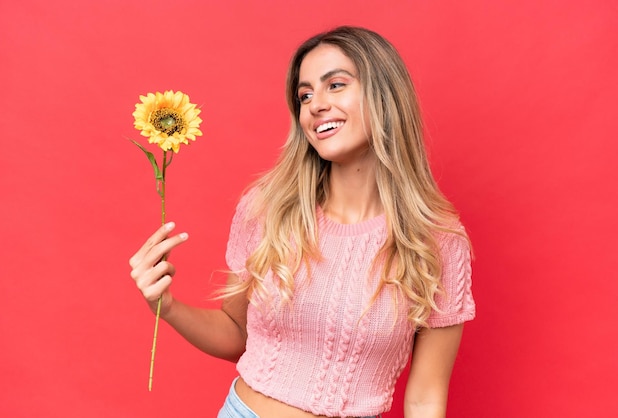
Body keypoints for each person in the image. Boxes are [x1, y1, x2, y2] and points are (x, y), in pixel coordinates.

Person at [129, 26, 475, 418]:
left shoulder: (437, 241)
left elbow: (425, 398)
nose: (315, 105)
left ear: (384, 96)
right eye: (305, 95)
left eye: (336, 85)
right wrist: (167, 306)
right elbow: (236, 334)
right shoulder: (267, 208)